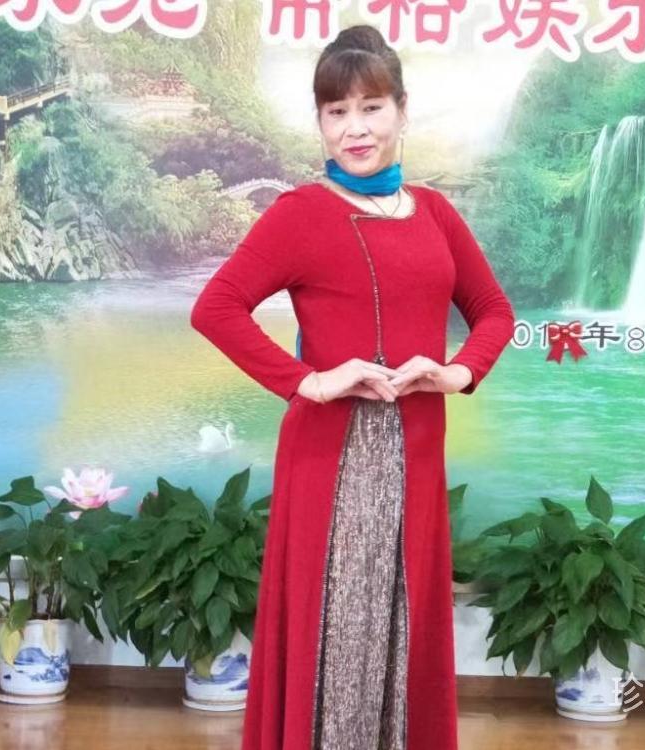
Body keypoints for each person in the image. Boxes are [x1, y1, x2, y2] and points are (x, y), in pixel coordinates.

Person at [190, 23, 515, 750]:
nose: (354, 128)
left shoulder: (435, 213)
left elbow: (494, 310)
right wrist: (308, 381)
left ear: (401, 110)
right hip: (331, 462)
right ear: (320, 122)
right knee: (339, 637)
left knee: (403, 627)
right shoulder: (301, 213)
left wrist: (457, 372)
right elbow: (216, 308)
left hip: (416, 454)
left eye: (371, 107)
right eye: (336, 111)